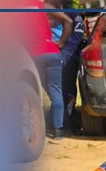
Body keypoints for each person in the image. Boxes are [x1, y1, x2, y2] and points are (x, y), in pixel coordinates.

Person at [15, 0, 72, 139]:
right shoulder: (42, 6)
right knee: (56, 92)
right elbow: (68, 21)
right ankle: (58, 130)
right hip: (52, 51)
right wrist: (61, 42)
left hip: (33, 55)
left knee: (35, 91)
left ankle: (37, 127)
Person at [50, 0, 86, 131]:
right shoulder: (77, 14)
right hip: (75, 53)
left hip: (68, 53)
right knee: (70, 87)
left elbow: (54, 23)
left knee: (61, 87)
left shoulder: (66, 13)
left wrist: (60, 42)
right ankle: (69, 119)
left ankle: (64, 121)